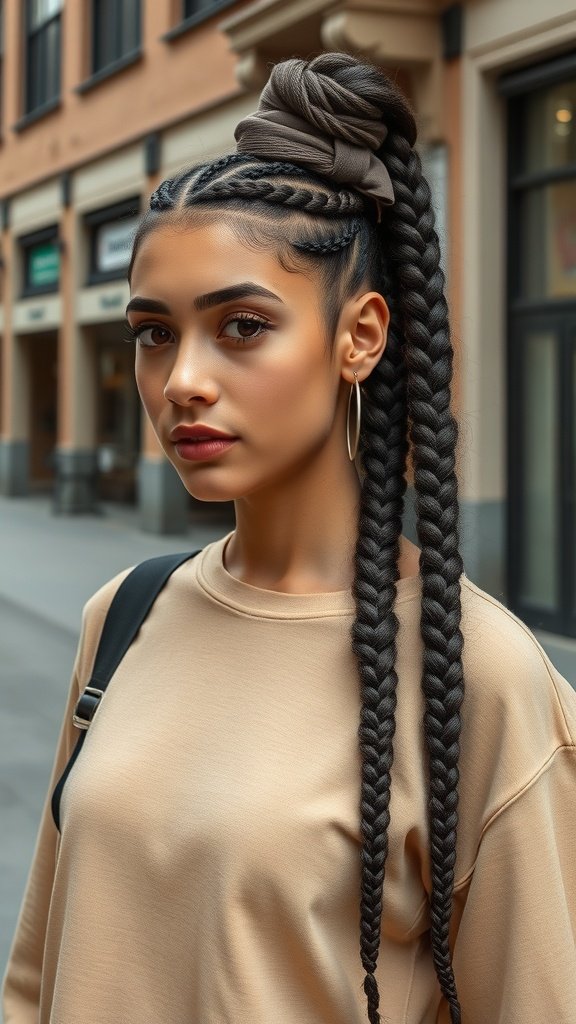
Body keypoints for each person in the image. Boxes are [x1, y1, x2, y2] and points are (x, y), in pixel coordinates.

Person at [3, 52, 576, 1024]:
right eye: (153, 332)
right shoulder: (126, 614)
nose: (181, 377)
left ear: (360, 336)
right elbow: (33, 977)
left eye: (241, 326)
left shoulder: (481, 678)